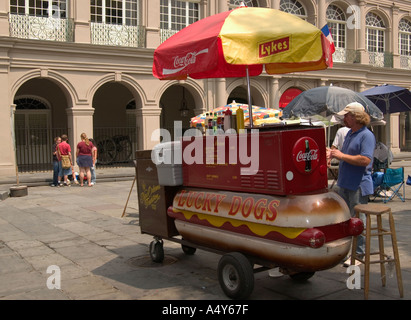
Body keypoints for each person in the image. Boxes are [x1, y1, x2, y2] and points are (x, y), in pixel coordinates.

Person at [327, 102, 376, 266]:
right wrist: (332, 155)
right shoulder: (349, 134)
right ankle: (349, 252)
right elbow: (344, 155)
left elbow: (365, 159)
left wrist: (340, 155)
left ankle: (359, 254)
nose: (344, 118)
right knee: (346, 220)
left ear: (355, 117)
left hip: (358, 185)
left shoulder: (366, 135)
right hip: (345, 183)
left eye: (346, 115)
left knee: (357, 220)